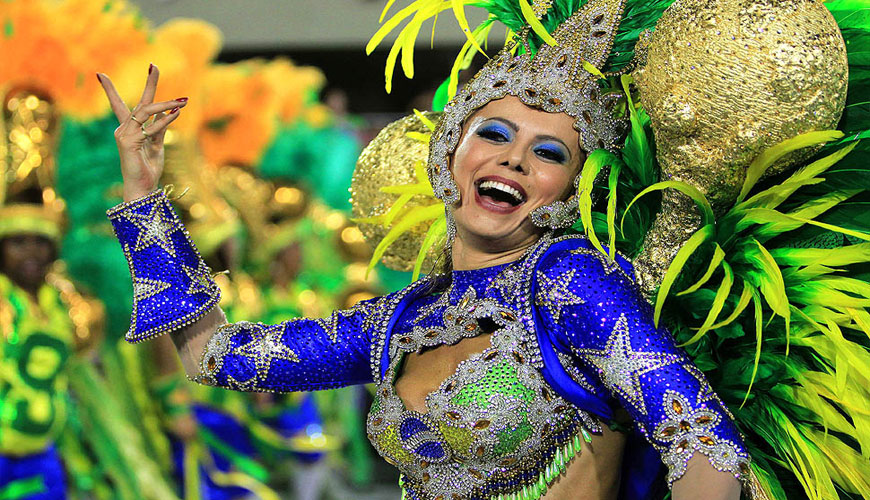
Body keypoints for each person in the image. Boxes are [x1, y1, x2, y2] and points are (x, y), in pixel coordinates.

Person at [95, 0, 870, 499]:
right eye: (494, 135)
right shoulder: (396, 320)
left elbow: (700, 441)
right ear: (450, 158)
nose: (513, 160)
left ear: (566, 191)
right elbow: (211, 356)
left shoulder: (569, 283)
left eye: (548, 153)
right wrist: (142, 192)